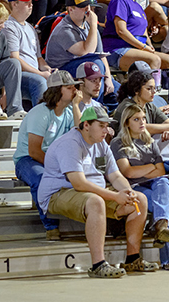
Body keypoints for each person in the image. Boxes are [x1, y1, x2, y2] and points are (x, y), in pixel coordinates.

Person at [37, 107, 151, 277]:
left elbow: (115, 175)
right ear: (86, 125)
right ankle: (98, 264)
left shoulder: (101, 144)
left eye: (107, 126)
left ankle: (132, 259)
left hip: (91, 190)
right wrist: (114, 196)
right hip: (59, 192)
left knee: (139, 200)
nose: (106, 130)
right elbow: (79, 183)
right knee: (95, 201)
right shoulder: (71, 144)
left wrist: (127, 191)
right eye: (101, 126)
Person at [112, 104, 169, 268]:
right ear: (127, 123)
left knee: (163, 183)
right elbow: (127, 172)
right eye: (136, 119)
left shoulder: (150, 142)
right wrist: (151, 167)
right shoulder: (118, 143)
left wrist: (145, 170)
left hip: (155, 184)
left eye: (143, 118)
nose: (142, 122)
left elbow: (162, 171)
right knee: (165, 204)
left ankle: (161, 224)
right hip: (134, 187)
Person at [14, 72, 80, 237]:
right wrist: (57, 167)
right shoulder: (40, 113)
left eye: (74, 86)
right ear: (57, 90)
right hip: (27, 160)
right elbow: (34, 151)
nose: (75, 90)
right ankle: (51, 226)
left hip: (53, 159)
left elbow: (79, 137)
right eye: (69, 87)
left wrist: (77, 106)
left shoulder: (70, 113)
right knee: (41, 178)